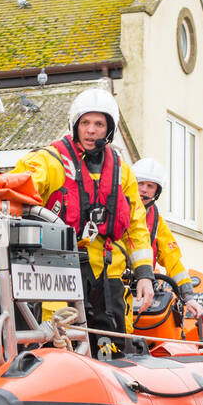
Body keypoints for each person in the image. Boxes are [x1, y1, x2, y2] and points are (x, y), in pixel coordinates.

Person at [11, 88, 154, 354]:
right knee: (57, 349)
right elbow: (18, 186)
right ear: (74, 125)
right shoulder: (50, 161)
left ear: (109, 130)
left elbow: (136, 225)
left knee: (111, 350)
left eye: (99, 124)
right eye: (85, 123)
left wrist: (144, 274)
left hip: (106, 277)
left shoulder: (122, 171)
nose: (91, 130)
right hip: (59, 274)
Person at [129, 157, 203, 319]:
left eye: (150, 186)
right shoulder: (118, 209)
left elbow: (172, 259)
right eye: (140, 184)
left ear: (157, 192)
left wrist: (188, 297)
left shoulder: (156, 221)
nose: (144, 190)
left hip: (143, 289)